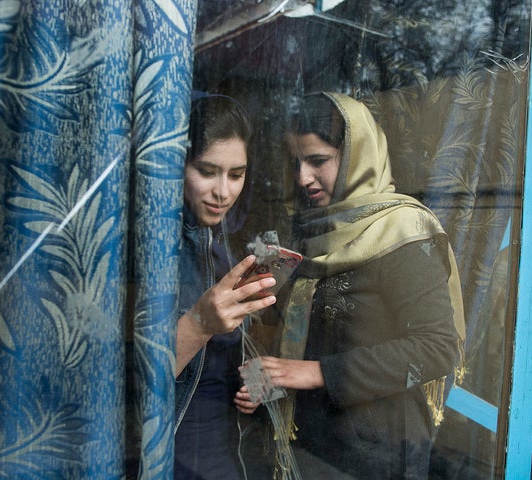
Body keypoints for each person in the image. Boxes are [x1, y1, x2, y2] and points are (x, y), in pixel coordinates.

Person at [240, 92, 466, 479]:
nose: (302, 178)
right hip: (313, 440)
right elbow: (314, 332)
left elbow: (438, 348)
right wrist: (267, 376)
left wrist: (315, 373)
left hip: (379, 452)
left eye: (318, 161)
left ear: (358, 154)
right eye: (296, 163)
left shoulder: (403, 233)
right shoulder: (317, 231)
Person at [174, 95, 275, 480]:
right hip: (165, 452)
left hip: (229, 450)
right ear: (178, 164)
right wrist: (199, 322)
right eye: (207, 170)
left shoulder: (232, 245)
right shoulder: (148, 250)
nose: (223, 192)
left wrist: (257, 386)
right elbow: (124, 382)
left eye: (236, 175)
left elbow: (246, 343)